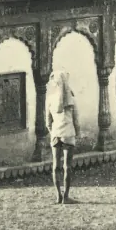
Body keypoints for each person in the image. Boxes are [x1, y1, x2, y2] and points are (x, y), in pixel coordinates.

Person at [45, 69, 78, 202]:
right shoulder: (71, 99)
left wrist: (53, 131)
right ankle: (66, 197)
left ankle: (58, 195)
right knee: (67, 166)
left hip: (55, 134)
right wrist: (77, 132)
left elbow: (48, 122)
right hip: (68, 134)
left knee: (55, 165)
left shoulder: (50, 99)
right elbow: (76, 120)